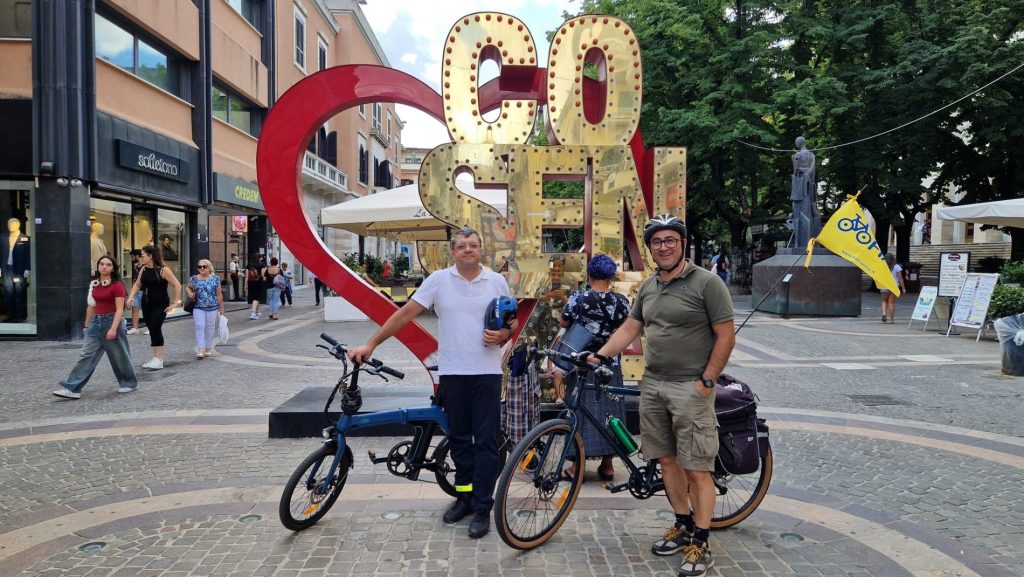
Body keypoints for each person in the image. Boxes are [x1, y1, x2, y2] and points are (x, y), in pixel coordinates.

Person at [348, 227, 516, 539]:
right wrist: (371, 344)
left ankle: (483, 506)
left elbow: (512, 321)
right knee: (460, 441)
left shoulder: (496, 281)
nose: (468, 249)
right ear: (453, 251)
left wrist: (504, 334)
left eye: (473, 245)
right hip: (452, 373)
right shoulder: (439, 280)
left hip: (487, 373)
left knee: (486, 443)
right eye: (462, 246)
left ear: (481, 249)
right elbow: (404, 315)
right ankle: (464, 497)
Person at [594, 214, 735, 577]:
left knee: (697, 468)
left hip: (691, 387)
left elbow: (725, 334)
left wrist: (707, 380)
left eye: (671, 240)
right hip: (653, 385)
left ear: (683, 244)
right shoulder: (650, 286)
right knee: (668, 461)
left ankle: (701, 541)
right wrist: (600, 355)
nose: (664, 246)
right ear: (651, 248)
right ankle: (682, 524)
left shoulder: (707, 283)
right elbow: (631, 326)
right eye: (657, 241)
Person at [559, 254, 630, 482]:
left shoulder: (579, 298)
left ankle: (575, 466)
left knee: (580, 412)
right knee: (611, 412)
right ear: (610, 277)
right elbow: (627, 328)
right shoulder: (622, 301)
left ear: (589, 274)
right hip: (610, 363)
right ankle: (607, 465)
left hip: (583, 363)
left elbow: (563, 321)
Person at [53, 255, 138, 398]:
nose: (104, 267)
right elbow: (91, 306)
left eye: (108, 265)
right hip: (95, 323)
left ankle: (129, 383)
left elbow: (119, 309)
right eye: (102, 264)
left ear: (113, 268)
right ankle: (72, 388)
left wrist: (113, 329)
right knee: (86, 355)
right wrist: (87, 325)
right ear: (98, 266)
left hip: (112, 321)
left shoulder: (117, 285)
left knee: (119, 356)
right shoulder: (95, 284)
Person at [126, 245, 182, 370]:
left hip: (161, 304)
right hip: (147, 303)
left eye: (143, 255)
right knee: (152, 328)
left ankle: (158, 359)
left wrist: (175, 303)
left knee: (155, 327)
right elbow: (137, 284)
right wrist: (131, 297)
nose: (141, 257)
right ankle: (156, 358)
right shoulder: (144, 269)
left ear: (150, 256)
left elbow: (177, 285)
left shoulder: (163, 270)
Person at [186, 258, 225, 358]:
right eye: (200, 266)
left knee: (210, 327)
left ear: (209, 267)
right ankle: (200, 349)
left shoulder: (215, 279)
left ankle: (208, 347)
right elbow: (188, 287)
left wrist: (221, 308)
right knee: (199, 326)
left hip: (212, 307)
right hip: (198, 307)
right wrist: (189, 293)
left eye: (204, 266)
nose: (202, 268)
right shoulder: (194, 278)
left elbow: (219, 294)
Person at [880, 254, 906, 323]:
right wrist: (903, 288)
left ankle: (884, 313)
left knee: (884, 300)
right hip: (894, 286)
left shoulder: (882, 266)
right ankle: (891, 319)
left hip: (884, 285)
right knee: (891, 303)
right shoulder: (897, 266)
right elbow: (900, 278)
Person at [125, 249, 146, 335]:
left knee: (147, 310)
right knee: (135, 309)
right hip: (136, 291)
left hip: (144, 290)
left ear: (137, 256)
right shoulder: (137, 266)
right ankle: (135, 328)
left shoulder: (145, 266)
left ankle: (150, 328)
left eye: (132, 256)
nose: (132, 258)